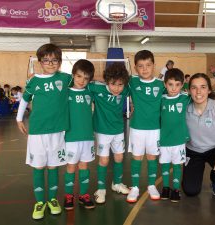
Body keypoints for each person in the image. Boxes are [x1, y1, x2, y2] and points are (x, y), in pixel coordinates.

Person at [16, 43, 72, 220]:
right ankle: (40, 201)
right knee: (39, 166)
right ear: (40, 62)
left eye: (55, 60)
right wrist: (19, 119)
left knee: (53, 166)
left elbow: (82, 80)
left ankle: (52, 200)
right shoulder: (34, 81)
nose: (50, 63)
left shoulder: (66, 78)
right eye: (46, 60)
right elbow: (25, 99)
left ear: (60, 62)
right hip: (38, 132)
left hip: (58, 131)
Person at [182, 73, 215, 197]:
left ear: (209, 89)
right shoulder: (184, 108)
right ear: (189, 90)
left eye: (203, 87)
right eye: (194, 87)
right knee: (191, 191)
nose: (198, 92)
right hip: (192, 150)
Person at [127, 50, 165, 203]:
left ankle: (151, 185)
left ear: (154, 66)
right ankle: (135, 187)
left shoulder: (161, 85)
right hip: (137, 128)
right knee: (137, 157)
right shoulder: (132, 82)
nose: (145, 69)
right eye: (141, 66)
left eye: (148, 65)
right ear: (135, 67)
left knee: (152, 157)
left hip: (155, 129)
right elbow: (113, 83)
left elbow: (178, 95)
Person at [89, 62, 130, 204]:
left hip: (118, 130)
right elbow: (78, 82)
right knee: (104, 160)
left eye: (120, 84)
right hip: (102, 131)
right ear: (107, 81)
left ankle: (117, 183)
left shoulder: (125, 90)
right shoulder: (96, 88)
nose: (117, 88)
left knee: (119, 157)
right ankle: (101, 189)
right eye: (113, 84)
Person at [64, 59, 96, 210]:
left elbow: (104, 83)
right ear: (73, 76)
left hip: (87, 137)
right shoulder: (66, 91)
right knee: (71, 167)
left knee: (84, 166)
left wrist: (95, 78)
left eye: (86, 78)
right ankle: (68, 196)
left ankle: (83, 195)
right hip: (71, 137)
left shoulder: (90, 90)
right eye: (79, 76)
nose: (82, 81)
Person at [159, 68, 190, 202]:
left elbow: (203, 97)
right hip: (163, 139)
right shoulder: (160, 99)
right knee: (165, 164)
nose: (174, 88)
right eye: (170, 84)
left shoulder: (185, 98)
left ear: (182, 85)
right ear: (165, 84)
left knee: (177, 165)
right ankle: (166, 187)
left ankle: (176, 189)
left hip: (179, 140)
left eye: (177, 85)